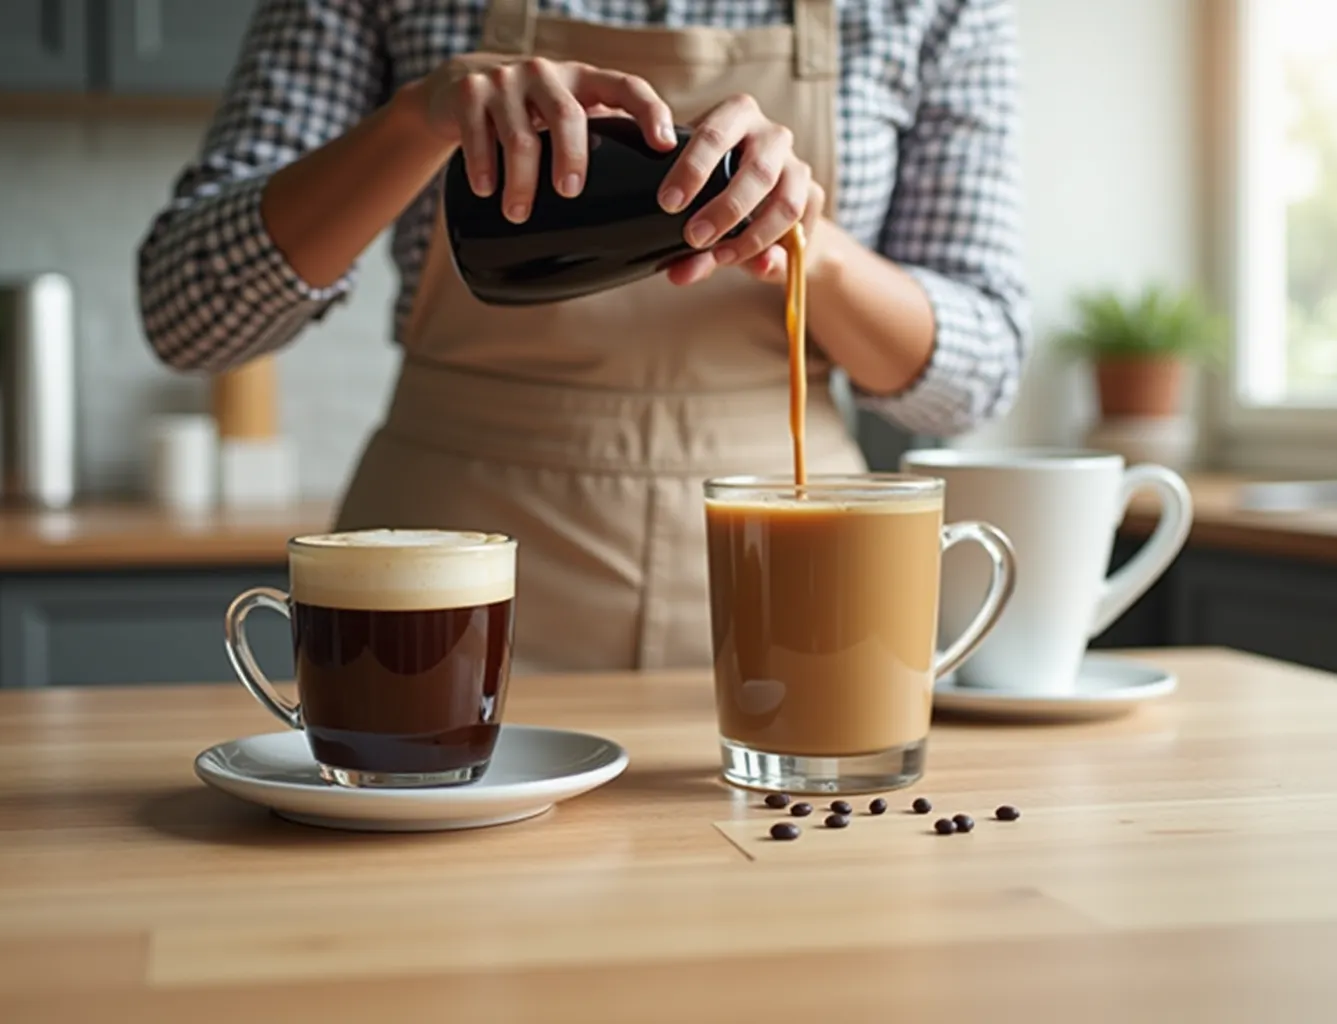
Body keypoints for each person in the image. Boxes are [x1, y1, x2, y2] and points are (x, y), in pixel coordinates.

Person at [138, 0, 1028, 674]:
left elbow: (975, 376)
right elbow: (187, 312)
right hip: (445, 584)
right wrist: (420, 120)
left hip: (796, 587)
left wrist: (806, 245)